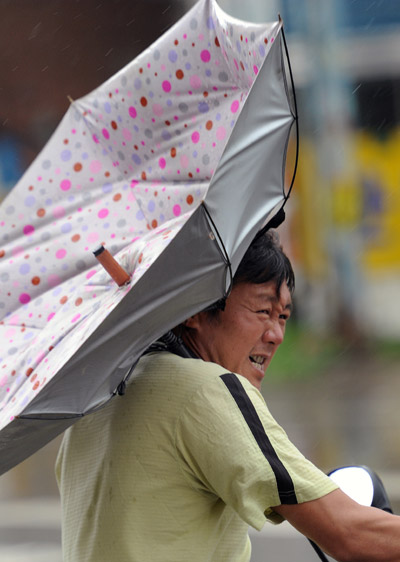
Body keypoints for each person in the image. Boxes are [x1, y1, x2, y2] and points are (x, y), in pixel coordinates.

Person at [56, 230, 400, 562]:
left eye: (283, 317)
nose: (277, 335)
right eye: (263, 312)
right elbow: (347, 531)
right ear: (196, 307)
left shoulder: (98, 398)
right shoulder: (204, 389)